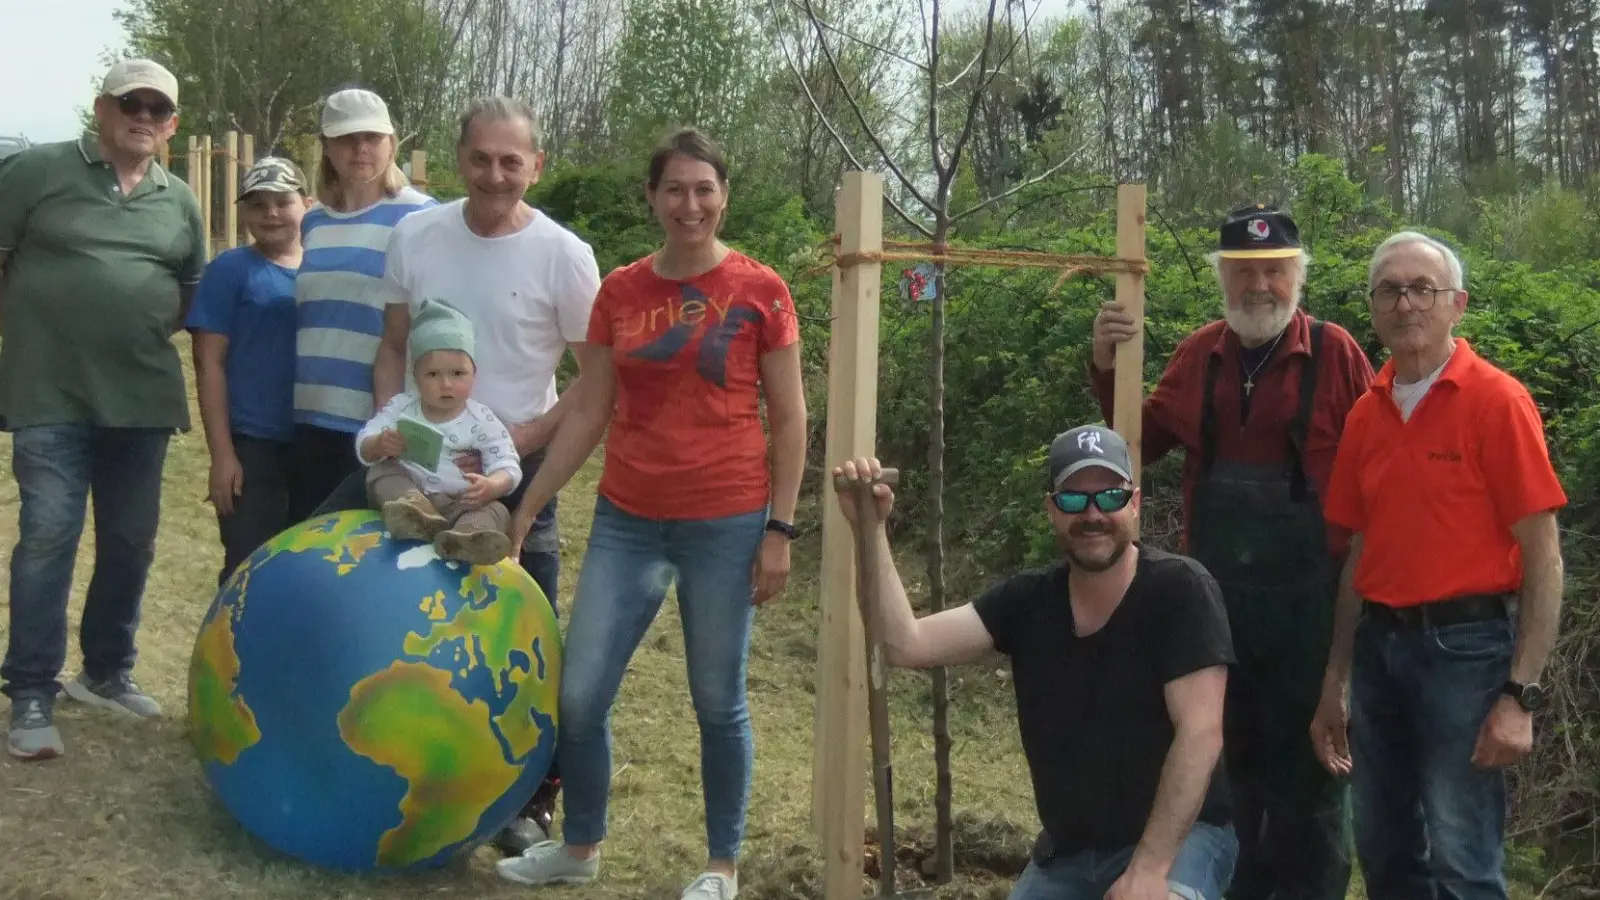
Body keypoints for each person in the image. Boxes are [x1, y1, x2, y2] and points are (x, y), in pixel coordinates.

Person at [494, 127, 807, 900]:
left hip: (726, 522)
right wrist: (529, 503)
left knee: (716, 698)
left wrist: (779, 530)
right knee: (580, 693)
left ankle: (720, 865)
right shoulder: (622, 292)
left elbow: (792, 418)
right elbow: (592, 406)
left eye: (703, 189)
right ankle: (580, 845)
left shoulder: (761, 290)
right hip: (627, 518)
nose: (689, 204)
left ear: (722, 196)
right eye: (674, 189)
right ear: (652, 197)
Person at [1090, 204, 1374, 900]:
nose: (1260, 287)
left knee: (1311, 790)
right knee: (1224, 779)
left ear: (1296, 277)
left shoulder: (1338, 356)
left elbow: (1380, 476)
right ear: (1224, 279)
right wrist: (1105, 364)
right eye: (1245, 273)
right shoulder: (1198, 355)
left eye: (1274, 272)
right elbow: (1140, 444)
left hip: (1311, 618)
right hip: (1214, 610)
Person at [832, 426, 1237, 900]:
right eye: (1072, 500)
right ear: (1050, 509)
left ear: (1134, 503)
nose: (1092, 515)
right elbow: (904, 643)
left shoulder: (1181, 591)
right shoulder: (1028, 601)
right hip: (1068, 856)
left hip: (1181, 842)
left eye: (1109, 497)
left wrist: (1148, 869)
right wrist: (869, 529)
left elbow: (1201, 733)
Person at [362, 95, 601, 849]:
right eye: (480, 159)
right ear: (459, 159)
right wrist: (396, 429)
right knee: (379, 602)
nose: (495, 175)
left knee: (524, 632)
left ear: (537, 164)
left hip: (516, 470)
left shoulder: (565, 255)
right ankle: (382, 765)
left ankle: (527, 801)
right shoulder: (416, 235)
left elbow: (599, 379)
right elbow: (394, 346)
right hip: (418, 460)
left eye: (511, 160)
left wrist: (524, 436)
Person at [1310, 231, 1568, 900]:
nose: (1406, 304)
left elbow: (1543, 555)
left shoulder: (1496, 402)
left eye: (1422, 288)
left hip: (1467, 652)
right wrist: (1336, 677)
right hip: (1378, 653)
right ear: (1372, 306)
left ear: (1458, 304)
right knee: (1387, 853)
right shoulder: (1367, 414)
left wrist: (1520, 696)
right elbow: (1359, 554)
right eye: (1390, 290)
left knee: (1463, 859)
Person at [0, 58, 206, 760]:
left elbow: (186, 291)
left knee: (132, 540)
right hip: (47, 392)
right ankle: (30, 688)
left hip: (141, 398)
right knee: (49, 534)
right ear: (102, 107)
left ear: (172, 123)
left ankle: (106, 671)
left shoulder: (179, 199)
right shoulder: (36, 172)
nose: (143, 116)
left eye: (158, 108)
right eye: (131, 103)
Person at [289, 86, 435, 521]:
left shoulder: (421, 217)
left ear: (392, 142)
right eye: (347, 138)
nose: (361, 148)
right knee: (312, 549)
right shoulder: (313, 220)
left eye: (373, 137)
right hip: (311, 413)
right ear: (327, 148)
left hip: (377, 420)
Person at [187, 157, 310, 585]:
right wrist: (223, 455)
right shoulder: (231, 269)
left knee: (309, 572)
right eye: (258, 205)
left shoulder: (327, 267)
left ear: (306, 204)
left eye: (282, 201)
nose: (271, 213)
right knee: (248, 570)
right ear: (244, 213)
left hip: (317, 440)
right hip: (255, 445)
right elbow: (208, 364)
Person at [356, 299, 521, 564]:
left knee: (497, 510)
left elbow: (508, 463)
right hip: (410, 493)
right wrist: (378, 445)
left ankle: (463, 539)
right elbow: (365, 439)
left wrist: (493, 485)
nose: (446, 385)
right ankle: (414, 515)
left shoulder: (482, 419)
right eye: (433, 374)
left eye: (457, 374)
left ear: (474, 374)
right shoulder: (402, 407)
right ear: (416, 375)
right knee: (380, 472)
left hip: (461, 503)